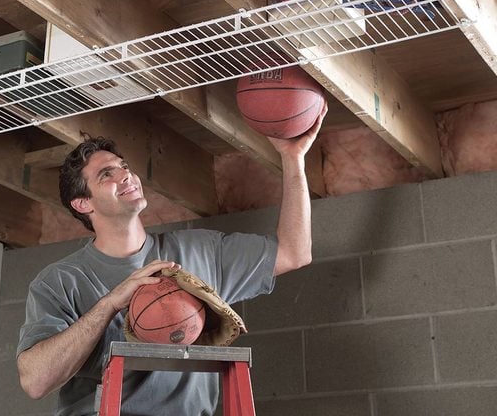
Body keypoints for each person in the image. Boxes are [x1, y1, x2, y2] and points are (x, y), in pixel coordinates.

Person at [17, 103, 327, 415]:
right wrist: (111, 304)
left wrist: (293, 158)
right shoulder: (59, 281)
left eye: (124, 166)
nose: (126, 175)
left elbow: (294, 252)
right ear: (83, 203)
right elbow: (35, 382)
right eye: (107, 174)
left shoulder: (199, 251)